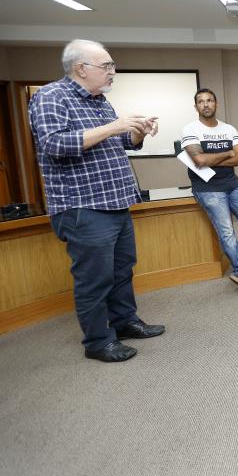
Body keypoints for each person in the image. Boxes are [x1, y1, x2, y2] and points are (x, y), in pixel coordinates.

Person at [28, 39, 165, 363]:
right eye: (106, 66)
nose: (112, 72)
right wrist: (113, 126)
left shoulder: (100, 102)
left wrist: (137, 132)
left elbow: (122, 142)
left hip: (116, 201)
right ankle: (98, 341)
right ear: (81, 68)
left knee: (121, 271)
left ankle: (125, 322)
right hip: (83, 207)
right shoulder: (50, 97)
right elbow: (54, 145)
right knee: (94, 279)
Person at [181, 88, 238, 294]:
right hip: (207, 188)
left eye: (209, 100)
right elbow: (199, 161)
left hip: (232, 183)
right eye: (201, 101)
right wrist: (228, 152)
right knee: (227, 232)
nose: (206, 104)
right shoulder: (190, 129)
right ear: (196, 107)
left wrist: (213, 156)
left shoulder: (229, 129)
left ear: (216, 104)